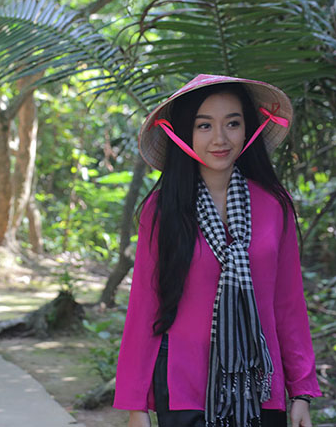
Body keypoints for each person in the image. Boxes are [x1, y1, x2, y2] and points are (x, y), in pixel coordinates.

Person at [114, 74, 321, 427]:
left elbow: (288, 303)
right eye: (204, 125)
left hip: (260, 387)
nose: (220, 139)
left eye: (233, 123)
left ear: (248, 129)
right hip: (184, 387)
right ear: (182, 132)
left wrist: (301, 390)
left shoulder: (274, 206)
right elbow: (145, 306)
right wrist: (136, 405)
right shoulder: (162, 209)